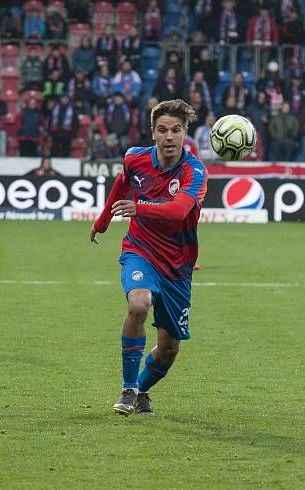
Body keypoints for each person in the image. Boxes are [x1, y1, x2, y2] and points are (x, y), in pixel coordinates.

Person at [90, 99, 208, 416]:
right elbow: (121, 184)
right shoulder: (135, 158)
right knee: (138, 303)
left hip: (178, 266)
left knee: (169, 349)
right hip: (140, 250)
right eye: (163, 130)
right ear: (153, 132)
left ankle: (141, 390)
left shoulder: (194, 170)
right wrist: (102, 221)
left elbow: (178, 211)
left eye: (177, 130)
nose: (170, 137)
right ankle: (128, 390)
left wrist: (137, 208)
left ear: (186, 133)